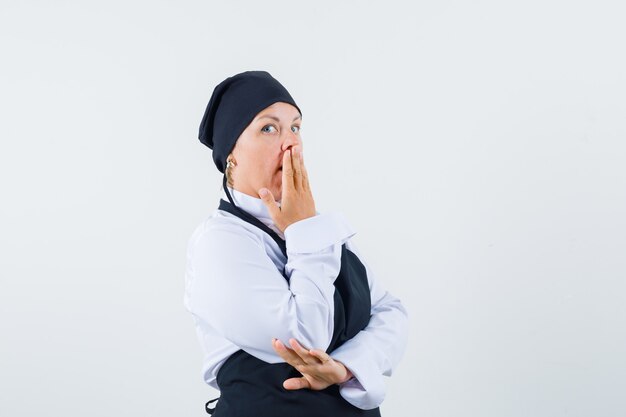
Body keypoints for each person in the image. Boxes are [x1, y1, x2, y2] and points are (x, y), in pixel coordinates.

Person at [184, 70, 409, 416]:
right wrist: (304, 228)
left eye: (296, 127)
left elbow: (390, 313)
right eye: (268, 128)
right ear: (231, 153)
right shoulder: (219, 242)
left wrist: (346, 368)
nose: (291, 143)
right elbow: (306, 335)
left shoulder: (315, 229)